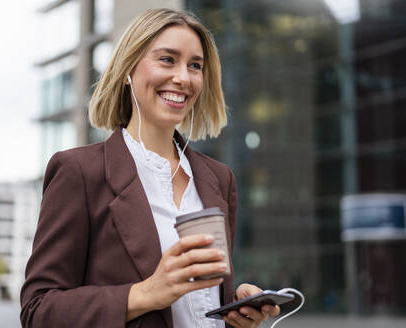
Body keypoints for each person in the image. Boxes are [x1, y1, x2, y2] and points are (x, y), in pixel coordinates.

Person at [20, 8, 280, 328]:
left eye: (195, 65)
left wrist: (234, 310)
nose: (183, 77)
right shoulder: (79, 172)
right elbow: (38, 311)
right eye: (167, 60)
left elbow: (200, 305)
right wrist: (146, 294)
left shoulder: (219, 179)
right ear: (129, 69)